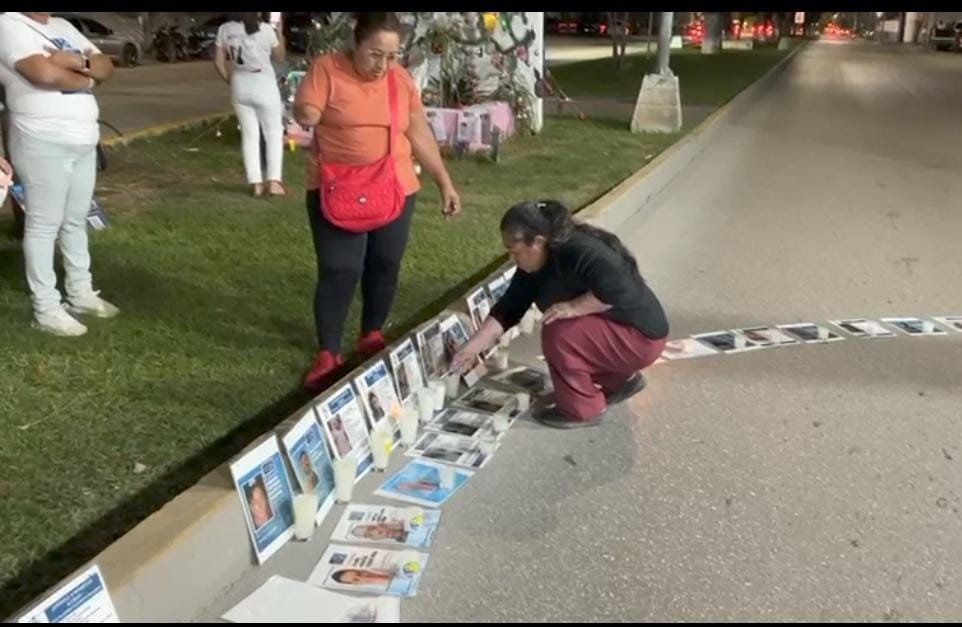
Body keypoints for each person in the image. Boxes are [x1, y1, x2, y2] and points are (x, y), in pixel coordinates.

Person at [294, 12, 462, 391]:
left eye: (391, 56)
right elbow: (307, 110)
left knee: (385, 263)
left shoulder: (399, 80)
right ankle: (329, 352)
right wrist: (306, 113)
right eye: (375, 54)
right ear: (355, 44)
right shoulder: (327, 70)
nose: (382, 65)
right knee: (340, 269)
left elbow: (419, 133)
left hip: (395, 186)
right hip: (338, 189)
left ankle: (371, 333)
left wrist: (445, 183)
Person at [452, 200, 669, 429]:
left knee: (560, 332)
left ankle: (582, 410)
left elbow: (619, 289)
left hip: (641, 338)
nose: (512, 258)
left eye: (514, 251)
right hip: (617, 334)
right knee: (565, 327)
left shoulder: (583, 251)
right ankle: (620, 381)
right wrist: (472, 347)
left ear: (538, 242)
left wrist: (574, 307)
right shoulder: (534, 265)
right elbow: (510, 306)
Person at [0, 11, 119, 337]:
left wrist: (74, 62)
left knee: (75, 220)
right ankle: (46, 307)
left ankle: (80, 292)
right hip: (40, 137)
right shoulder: (8, 24)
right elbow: (41, 74)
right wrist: (87, 75)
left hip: (83, 139)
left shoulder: (62, 26)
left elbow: (106, 66)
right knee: (44, 223)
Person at [214, 12, 286, 197]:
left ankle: (256, 183)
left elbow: (218, 62)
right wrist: (280, 32)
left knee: (249, 135)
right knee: (273, 133)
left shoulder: (225, 29)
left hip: (240, 82)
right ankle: (274, 182)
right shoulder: (266, 30)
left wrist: (231, 81)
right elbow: (280, 56)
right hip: (263, 82)